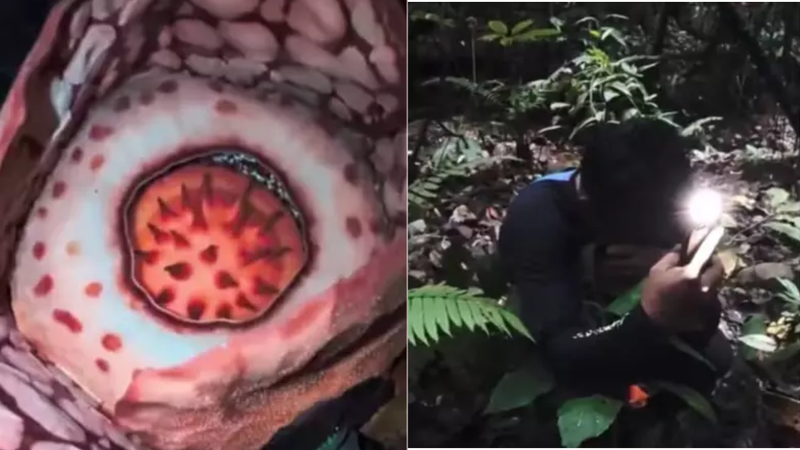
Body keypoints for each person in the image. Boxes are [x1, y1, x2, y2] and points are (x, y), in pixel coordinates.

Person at [497, 118, 732, 399]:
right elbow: (562, 351)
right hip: (567, 315)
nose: (660, 224)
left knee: (715, 360)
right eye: (646, 220)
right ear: (594, 209)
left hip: (626, 312)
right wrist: (650, 316)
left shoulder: (662, 195)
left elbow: (700, 325)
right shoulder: (538, 216)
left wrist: (679, 269)